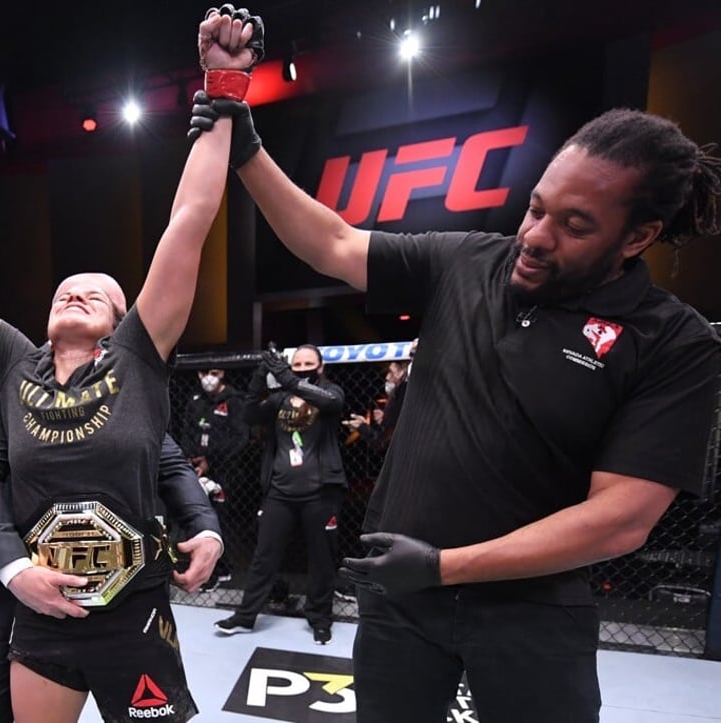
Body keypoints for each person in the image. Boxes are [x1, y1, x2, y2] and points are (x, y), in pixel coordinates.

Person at [192, 88, 721, 721]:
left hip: (533, 611)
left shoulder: (671, 339)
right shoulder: (469, 260)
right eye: (536, 209)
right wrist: (247, 148)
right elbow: (332, 243)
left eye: (575, 225)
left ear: (639, 237)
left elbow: (621, 519)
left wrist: (444, 567)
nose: (536, 236)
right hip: (401, 600)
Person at [0, 7, 261, 721]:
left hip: (131, 614)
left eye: (99, 290)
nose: (77, 288)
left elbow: (191, 221)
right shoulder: (11, 361)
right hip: (41, 613)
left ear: (122, 317)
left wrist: (224, 87)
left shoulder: (139, 356)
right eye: (65, 287)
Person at [0, 372, 223, 723]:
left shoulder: (128, 374)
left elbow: (168, 460)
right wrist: (13, 568)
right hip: (21, 595)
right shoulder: (10, 370)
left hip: (130, 598)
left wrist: (205, 528)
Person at [214, 344, 348, 645]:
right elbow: (249, 413)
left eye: (307, 363)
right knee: (264, 555)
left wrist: (287, 377)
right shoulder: (279, 399)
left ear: (320, 366)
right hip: (281, 491)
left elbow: (331, 403)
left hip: (320, 491)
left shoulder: (330, 392)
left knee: (322, 558)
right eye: (295, 363)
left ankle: (320, 619)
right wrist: (262, 372)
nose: (301, 367)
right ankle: (245, 616)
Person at [178, 368, 248, 591]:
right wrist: (192, 458)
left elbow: (240, 438)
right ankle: (207, 569)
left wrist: (211, 459)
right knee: (196, 519)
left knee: (220, 521)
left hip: (225, 471)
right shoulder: (195, 400)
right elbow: (186, 431)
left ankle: (220, 570)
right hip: (196, 469)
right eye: (203, 372)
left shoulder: (235, 400)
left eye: (214, 372)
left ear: (223, 374)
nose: (208, 377)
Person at [344, 359, 409, 454]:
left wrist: (364, 428)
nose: (387, 377)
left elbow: (383, 442)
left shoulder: (403, 393)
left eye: (391, 372)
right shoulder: (398, 402)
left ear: (402, 372)